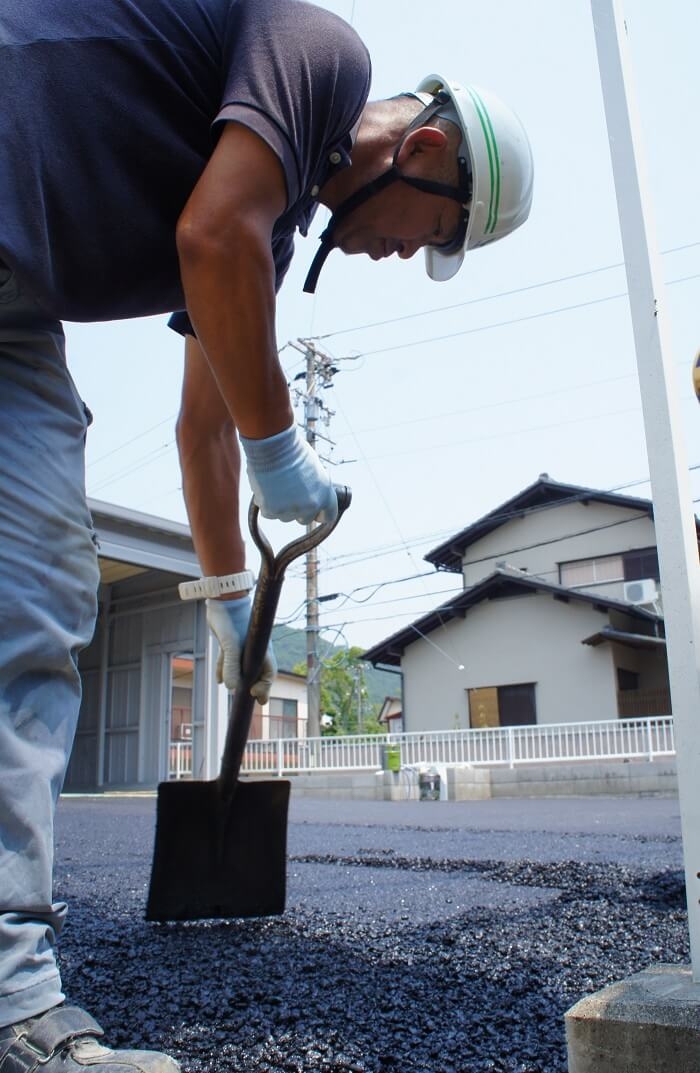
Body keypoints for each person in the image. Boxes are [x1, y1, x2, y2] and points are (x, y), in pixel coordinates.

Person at [0, 0, 533, 1070]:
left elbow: (205, 426)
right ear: (420, 151)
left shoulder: (270, 220)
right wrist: (284, 453)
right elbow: (210, 239)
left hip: (17, 308)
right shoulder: (319, 52)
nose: (396, 256)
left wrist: (230, 604)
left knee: (39, 596)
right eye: (424, 234)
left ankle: (11, 997)